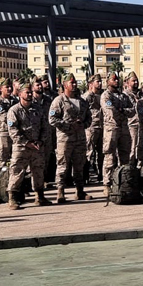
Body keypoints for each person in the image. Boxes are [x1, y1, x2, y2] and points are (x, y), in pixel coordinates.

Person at [49, 73, 91, 202]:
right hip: (65, 138)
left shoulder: (82, 101)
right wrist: (68, 126)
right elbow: (52, 119)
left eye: (75, 83)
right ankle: (60, 191)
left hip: (80, 138)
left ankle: (80, 190)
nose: (74, 85)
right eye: (71, 83)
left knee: (79, 165)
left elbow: (89, 118)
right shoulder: (59, 101)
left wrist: (83, 124)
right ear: (65, 85)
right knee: (63, 165)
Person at [6, 84, 49, 210]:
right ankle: (12, 198)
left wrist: (41, 141)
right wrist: (26, 142)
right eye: (27, 92)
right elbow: (13, 130)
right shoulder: (14, 110)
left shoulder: (38, 109)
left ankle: (39, 196)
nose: (30, 94)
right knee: (17, 172)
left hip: (37, 146)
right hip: (21, 147)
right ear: (20, 94)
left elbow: (45, 127)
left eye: (30, 92)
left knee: (38, 171)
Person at [101, 71, 134, 186]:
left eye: (117, 79)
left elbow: (132, 110)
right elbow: (110, 111)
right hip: (112, 129)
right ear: (108, 81)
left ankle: (123, 181)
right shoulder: (106, 95)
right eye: (113, 79)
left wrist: (122, 110)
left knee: (125, 156)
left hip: (124, 128)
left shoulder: (123, 96)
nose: (116, 81)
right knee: (110, 157)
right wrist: (122, 111)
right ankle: (107, 183)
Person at [0, 79, 16, 179]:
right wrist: (17, 118)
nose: (9, 89)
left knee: (15, 161)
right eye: (7, 87)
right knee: (2, 161)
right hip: (3, 134)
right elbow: (3, 116)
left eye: (10, 87)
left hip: (15, 134)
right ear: (1, 89)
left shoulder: (15, 101)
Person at [83, 74, 104, 182]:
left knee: (102, 153)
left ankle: (101, 174)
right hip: (91, 128)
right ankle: (86, 176)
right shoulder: (86, 97)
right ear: (91, 84)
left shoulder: (102, 95)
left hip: (102, 126)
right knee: (89, 152)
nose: (100, 84)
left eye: (100, 81)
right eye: (97, 82)